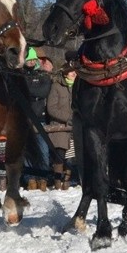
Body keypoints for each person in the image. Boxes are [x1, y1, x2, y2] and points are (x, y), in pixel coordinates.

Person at [22, 46, 53, 190]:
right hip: (25, 117)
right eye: (29, 59)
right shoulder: (20, 74)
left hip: (40, 117)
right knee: (28, 150)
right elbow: (23, 91)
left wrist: (30, 94)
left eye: (34, 59)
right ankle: (30, 178)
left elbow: (43, 92)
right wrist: (32, 93)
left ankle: (43, 177)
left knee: (43, 149)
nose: (31, 62)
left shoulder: (43, 75)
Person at [46, 62, 77, 190]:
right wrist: (67, 118)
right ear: (65, 74)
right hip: (59, 125)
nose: (74, 73)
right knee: (59, 155)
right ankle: (57, 180)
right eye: (71, 72)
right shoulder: (56, 86)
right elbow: (51, 108)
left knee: (71, 156)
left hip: (75, 125)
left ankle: (67, 179)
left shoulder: (78, 87)